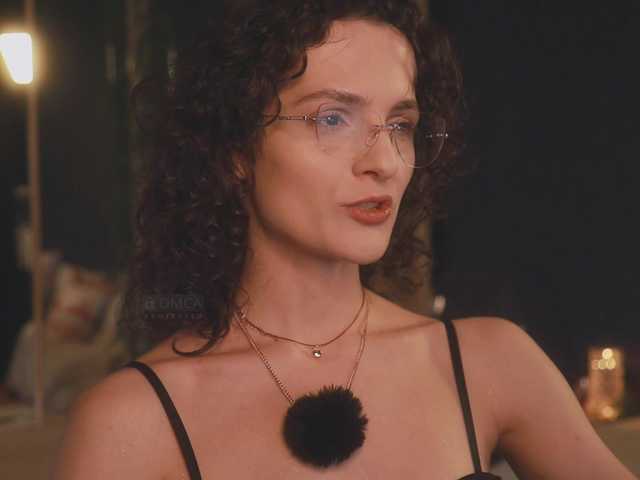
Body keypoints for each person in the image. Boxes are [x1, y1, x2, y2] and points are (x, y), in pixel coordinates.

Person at [53, 1, 636, 479]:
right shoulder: (134, 421)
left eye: (400, 125)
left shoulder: (489, 362)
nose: (383, 161)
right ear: (234, 148)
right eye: (332, 118)